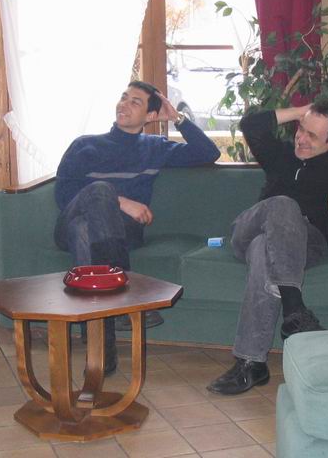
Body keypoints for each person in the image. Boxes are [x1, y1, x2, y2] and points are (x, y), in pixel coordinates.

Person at [207, 100, 328, 395]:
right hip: (251, 230)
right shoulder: (280, 155)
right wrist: (300, 112)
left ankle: (251, 363)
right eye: (301, 129)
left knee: (264, 250)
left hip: (305, 243)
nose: (301, 138)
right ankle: (295, 308)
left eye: (312, 136)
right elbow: (251, 125)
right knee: (282, 205)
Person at [54, 80, 220, 374]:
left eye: (135, 102)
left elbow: (208, 153)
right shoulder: (84, 145)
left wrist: (178, 118)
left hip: (122, 233)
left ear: (151, 116)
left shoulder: (155, 148)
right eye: (123, 97)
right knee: (98, 195)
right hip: (67, 224)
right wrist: (122, 202)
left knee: (85, 231)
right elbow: (63, 195)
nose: (124, 104)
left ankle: (101, 347)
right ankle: (125, 297)